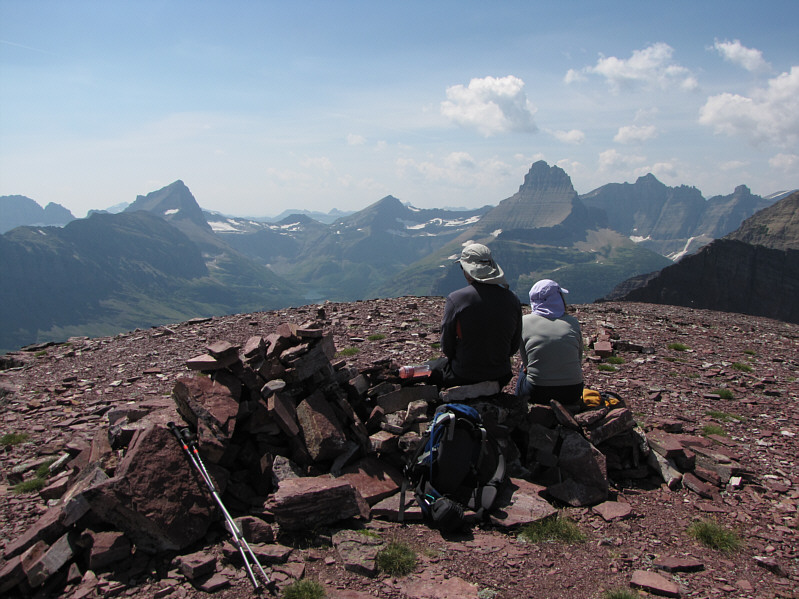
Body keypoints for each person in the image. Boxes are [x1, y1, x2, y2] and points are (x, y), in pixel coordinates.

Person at [428, 243, 522, 389]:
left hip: (464, 374)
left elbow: (447, 346)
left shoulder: (456, 299)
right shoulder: (512, 299)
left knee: (429, 367)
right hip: (501, 375)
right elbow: (514, 346)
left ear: (467, 270)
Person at [516, 279, 583, 408]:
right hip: (573, 391)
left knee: (522, 369)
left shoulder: (524, 322)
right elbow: (578, 359)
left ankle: (519, 409)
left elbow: (526, 365)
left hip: (537, 392)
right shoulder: (573, 322)